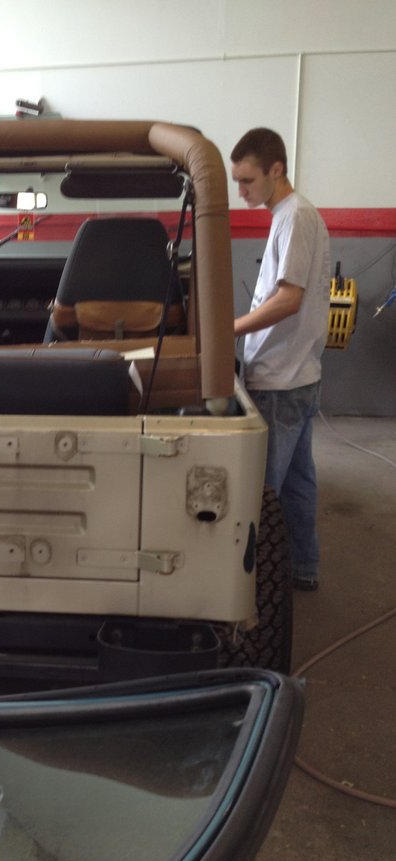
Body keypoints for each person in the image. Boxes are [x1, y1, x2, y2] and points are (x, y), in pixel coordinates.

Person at [231, 127, 330, 591]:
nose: (241, 190)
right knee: (296, 483)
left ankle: (263, 587)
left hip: (280, 379)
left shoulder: (295, 217)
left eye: (247, 180)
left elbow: (288, 299)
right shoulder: (288, 214)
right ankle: (302, 569)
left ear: (277, 170)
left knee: (264, 493)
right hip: (294, 375)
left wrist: (227, 329)